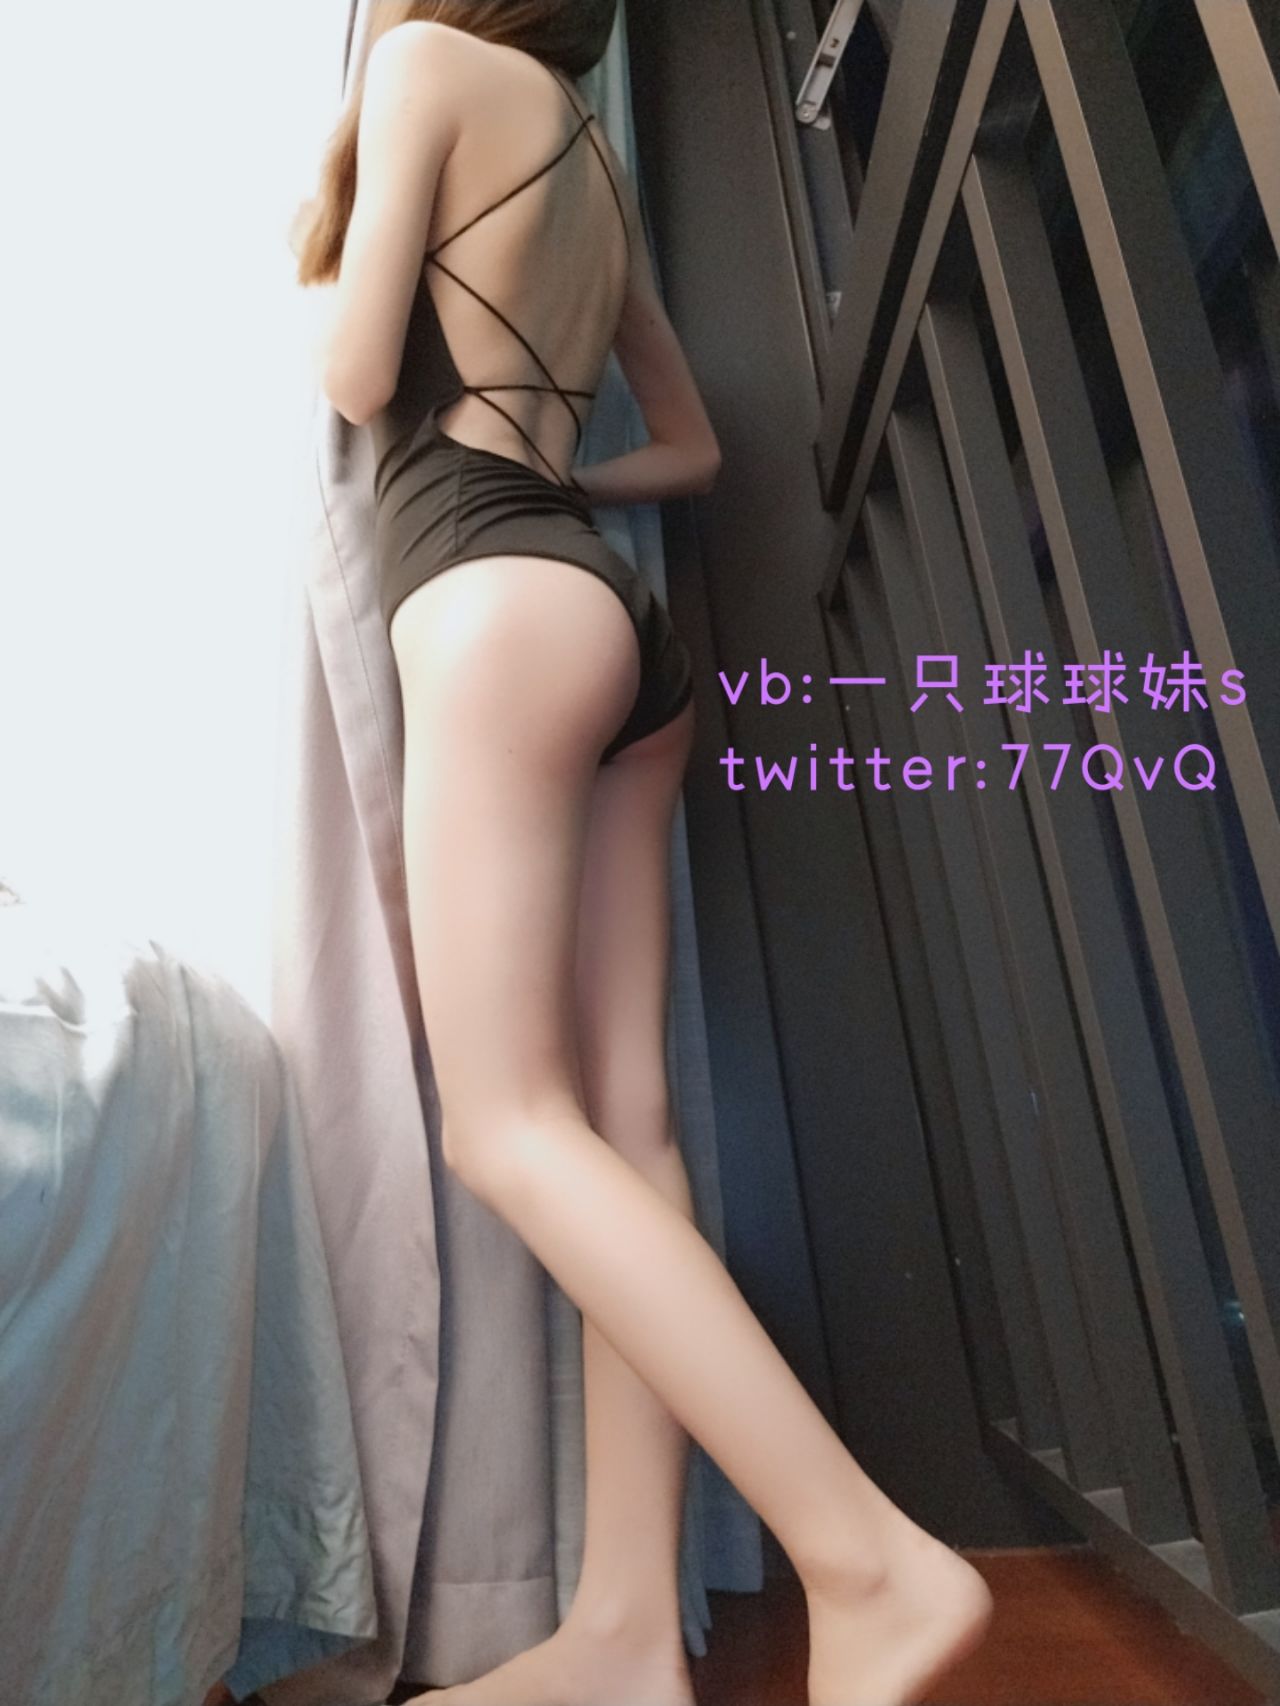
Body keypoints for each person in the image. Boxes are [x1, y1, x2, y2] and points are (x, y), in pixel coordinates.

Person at [292, 5, 994, 1703]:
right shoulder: (593, 158)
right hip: (612, 621)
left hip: (490, 601)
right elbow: (694, 448)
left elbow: (360, 377)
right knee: (629, 1122)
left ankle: (874, 1561)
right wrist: (564, 493)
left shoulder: (419, 67)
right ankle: (619, 1626)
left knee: (506, 1125)